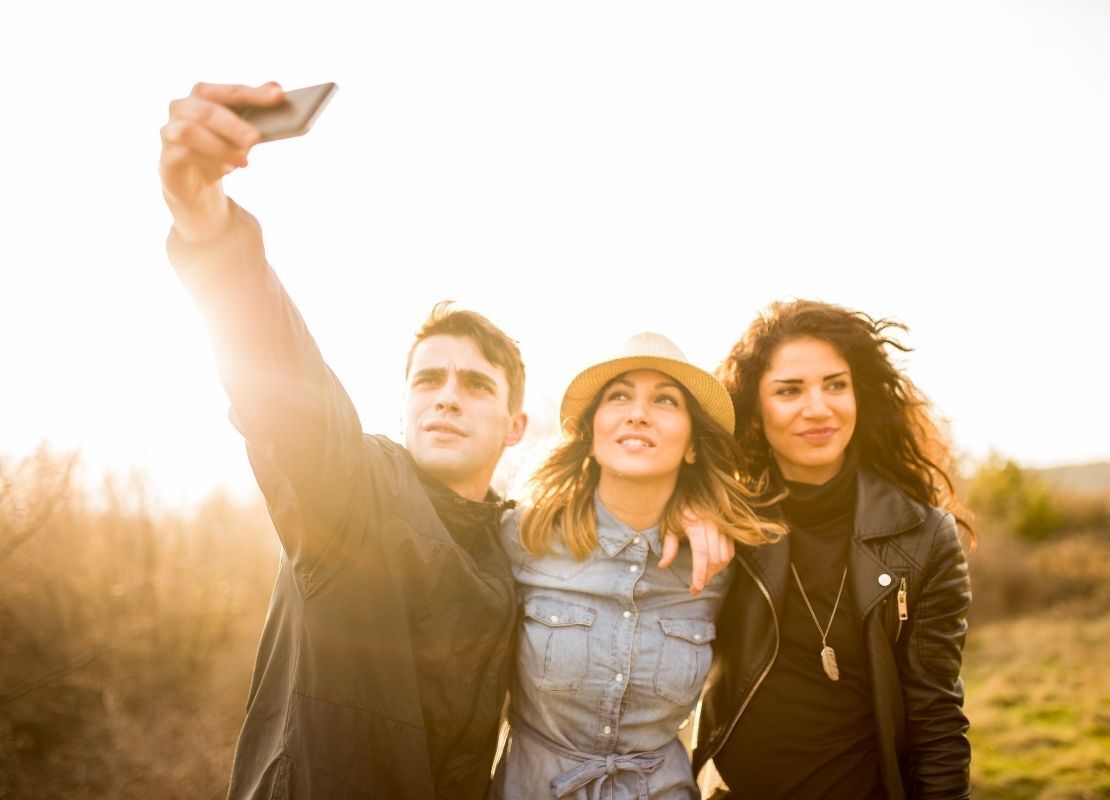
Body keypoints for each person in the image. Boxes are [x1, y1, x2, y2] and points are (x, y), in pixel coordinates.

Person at [159, 82, 730, 800]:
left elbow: (610, 540)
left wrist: (685, 505)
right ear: (402, 408)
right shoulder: (349, 492)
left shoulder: (512, 538)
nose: (447, 397)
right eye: (428, 380)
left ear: (515, 426)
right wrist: (208, 225)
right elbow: (279, 378)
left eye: (475, 384)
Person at [692, 299, 974, 799]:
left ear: (858, 394)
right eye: (789, 390)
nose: (818, 408)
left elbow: (937, 721)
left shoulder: (925, 537)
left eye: (835, 384)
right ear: (756, 408)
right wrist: (684, 508)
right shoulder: (728, 519)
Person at [490, 333, 785, 800]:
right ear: (590, 435)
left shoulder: (722, 564)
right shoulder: (522, 536)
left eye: (665, 400)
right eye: (620, 395)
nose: (639, 412)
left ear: (691, 445)